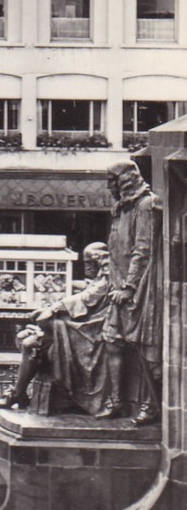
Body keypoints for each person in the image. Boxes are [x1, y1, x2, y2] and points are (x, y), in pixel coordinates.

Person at [0, 242, 112, 415]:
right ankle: (19, 393)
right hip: (77, 327)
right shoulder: (99, 278)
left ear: (99, 261)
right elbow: (84, 295)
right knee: (28, 340)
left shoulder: (107, 279)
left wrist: (54, 309)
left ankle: (18, 394)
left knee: (31, 344)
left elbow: (88, 298)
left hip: (89, 331)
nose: (87, 267)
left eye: (89, 263)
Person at [100, 160, 163, 425]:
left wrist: (129, 287)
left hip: (141, 289)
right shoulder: (121, 208)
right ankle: (117, 401)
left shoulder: (147, 204)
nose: (108, 186)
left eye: (111, 181)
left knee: (145, 348)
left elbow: (143, 250)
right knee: (113, 341)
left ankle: (151, 405)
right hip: (118, 287)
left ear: (124, 181)